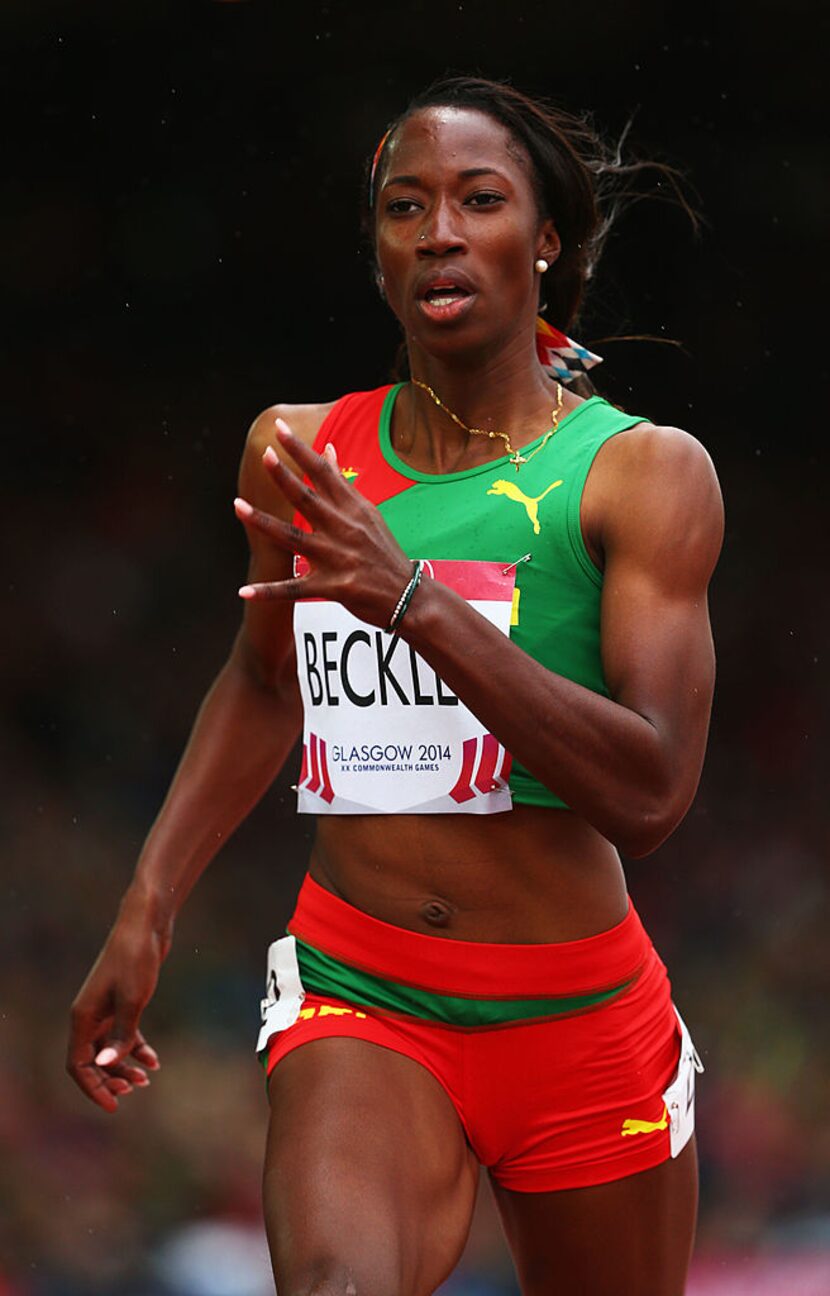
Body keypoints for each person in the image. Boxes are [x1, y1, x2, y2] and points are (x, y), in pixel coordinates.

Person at [67, 76, 724, 1296]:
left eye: (478, 201)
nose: (437, 232)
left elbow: (651, 788)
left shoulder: (637, 476)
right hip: (361, 991)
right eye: (402, 206)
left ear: (544, 242)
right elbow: (262, 685)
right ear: (375, 250)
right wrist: (147, 903)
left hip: (575, 1014)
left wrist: (413, 598)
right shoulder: (299, 453)